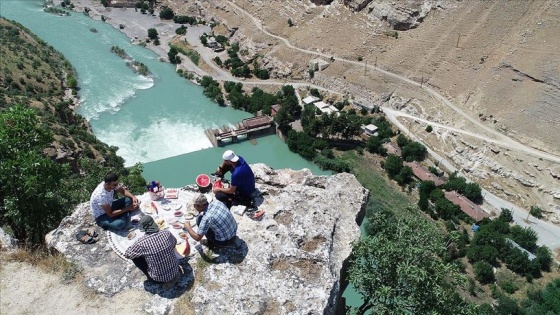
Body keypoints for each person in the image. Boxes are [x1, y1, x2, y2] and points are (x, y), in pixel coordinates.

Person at [124, 216, 181, 288]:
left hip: (158, 279)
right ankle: (173, 275)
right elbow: (174, 242)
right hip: (176, 270)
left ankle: (154, 278)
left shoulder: (141, 243)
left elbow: (127, 254)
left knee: (135, 258)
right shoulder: (166, 233)